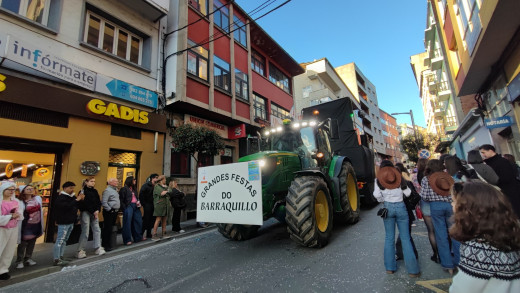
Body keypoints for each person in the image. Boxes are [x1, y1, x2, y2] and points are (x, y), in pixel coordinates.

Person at [449, 181, 520, 293]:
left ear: (468, 210)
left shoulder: (478, 249)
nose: (452, 205)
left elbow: (461, 290)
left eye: (454, 202)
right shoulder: (509, 234)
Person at [373, 160, 420, 278]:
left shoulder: (378, 180)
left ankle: (390, 268)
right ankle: (413, 270)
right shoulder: (398, 177)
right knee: (406, 238)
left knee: (389, 238)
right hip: (401, 208)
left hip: (388, 208)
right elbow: (408, 193)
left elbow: (376, 195)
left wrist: (384, 199)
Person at [420, 160, 458, 274]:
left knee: (441, 235)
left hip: (435, 207)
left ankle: (448, 265)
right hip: (450, 205)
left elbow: (424, 196)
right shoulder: (449, 177)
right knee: (455, 233)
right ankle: (460, 263)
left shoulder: (426, 179)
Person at [479, 144, 520, 219]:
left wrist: (495, 181)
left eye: (483, 152)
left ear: (490, 151)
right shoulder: (489, 163)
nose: (483, 155)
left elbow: (507, 177)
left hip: (510, 193)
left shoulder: (501, 162)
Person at [53, 181, 85, 266]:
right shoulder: (61, 197)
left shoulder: (72, 197)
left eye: (73, 188)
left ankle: (61, 256)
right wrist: (76, 200)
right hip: (63, 221)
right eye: (70, 188)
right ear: (65, 188)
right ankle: (56, 258)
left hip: (71, 221)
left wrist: (80, 200)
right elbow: (65, 207)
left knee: (65, 240)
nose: (72, 190)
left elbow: (76, 206)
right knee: (60, 240)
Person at [394, 163, 418, 261]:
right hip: (407, 211)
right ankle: (404, 253)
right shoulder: (407, 183)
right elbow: (414, 196)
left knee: (405, 235)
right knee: (405, 234)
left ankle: (412, 255)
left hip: (403, 212)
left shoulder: (395, 185)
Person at [15, 185, 44, 269]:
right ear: (23, 191)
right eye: (28, 189)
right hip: (25, 225)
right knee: (23, 243)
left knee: (32, 242)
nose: (31, 190)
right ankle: (19, 260)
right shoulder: (20, 201)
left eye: (32, 188)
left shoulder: (37, 198)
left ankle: (28, 258)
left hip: (36, 224)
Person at [0, 181, 23, 280]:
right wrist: (10, 216)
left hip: (13, 228)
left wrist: (17, 215)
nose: (11, 191)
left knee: (9, 250)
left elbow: (20, 213)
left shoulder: (16, 201)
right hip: (1, 229)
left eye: (13, 189)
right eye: (9, 189)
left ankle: (3, 270)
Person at [77, 177, 104, 259]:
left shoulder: (95, 191)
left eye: (94, 181)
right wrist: (94, 211)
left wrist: (98, 210)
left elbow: (98, 202)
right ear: (86, 182)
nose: (93, 183)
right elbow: (84, 203)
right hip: (86, 212)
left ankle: (98, 247)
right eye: (91, 181)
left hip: (94, 212)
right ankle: (80, 250)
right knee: (85, 231)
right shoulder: (82, 191)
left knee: (97, 229)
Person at [119, 176, 143, 245]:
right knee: (127, 223)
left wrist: (138, 202)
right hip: (128, 206)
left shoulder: (134, 189)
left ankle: (138, 237)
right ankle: (127, 239)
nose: (135, 181)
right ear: (130, 181)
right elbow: (121, 200)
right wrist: (124, 208)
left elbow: (136, 197)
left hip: (136, 205)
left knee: (138, 221)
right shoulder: (124, 189)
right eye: (134, 180)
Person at [101, 178, 120, 251]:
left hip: (115, 211)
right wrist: (110, 209)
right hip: (109, 212)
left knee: (111, 228)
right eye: (115, 181)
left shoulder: (115, 190)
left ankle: (110, 243)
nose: (117, 182)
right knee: (107, 228)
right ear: (110, 182)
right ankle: (105, 244)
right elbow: (104, 202)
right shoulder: (107, 190)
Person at [139, 173, 158, 240]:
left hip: (152, 204)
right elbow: (141, 194)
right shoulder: (146, 185)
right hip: (147, 204)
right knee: (146, 219)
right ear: (152, 178)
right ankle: (141, 234)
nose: (157, 179)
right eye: (156, 177)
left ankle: (148, 233)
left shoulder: (155, 186)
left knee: (151, 219)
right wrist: (144, 204)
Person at [152, 175, 169, 240]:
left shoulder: (164, 186)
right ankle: (154, 234)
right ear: (161, 180)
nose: (165, 181)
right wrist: (167, 191)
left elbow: (169, 191)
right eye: (164, 179)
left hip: (164, 205)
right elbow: (162, 193)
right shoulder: (157, 187)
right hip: (159, 205)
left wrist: (167, 190)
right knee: (158, 219)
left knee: (164, 219)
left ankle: (164, 233)